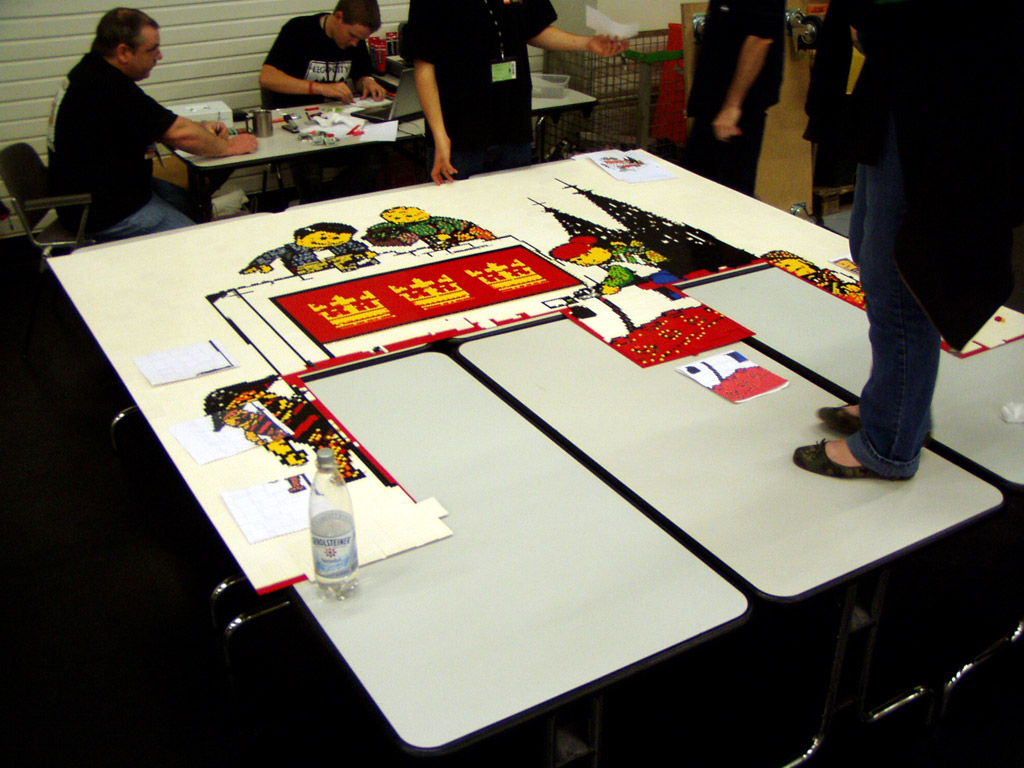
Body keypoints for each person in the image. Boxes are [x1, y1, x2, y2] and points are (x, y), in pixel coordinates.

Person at [792, 0, 1023, 480]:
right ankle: (898, 408)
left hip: (938, 99)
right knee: (868, 245)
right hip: (904, 86)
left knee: (898, 270)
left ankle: (889, 443)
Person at [49, 8, 258, 242]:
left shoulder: (91, 71)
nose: (159, 56)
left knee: (189, 203)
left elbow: (155, 122)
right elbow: (179, 134)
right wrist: (229, 147)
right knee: (198, 242)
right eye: (152, 49)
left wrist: (201, 128)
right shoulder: (106, 87)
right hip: (104, 211)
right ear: (124, 52)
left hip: (113, 190)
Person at [404, 0, 628, 185]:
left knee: (515, 208)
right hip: (460, 136)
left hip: (512, 128)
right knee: (459, 215)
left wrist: (588, 43)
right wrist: (440, 137)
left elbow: (535, 30)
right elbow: (424, 67)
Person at [259, 0, 387, 202]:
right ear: (338, 17)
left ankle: (328, 203)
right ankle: (316, 205)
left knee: (375, 158)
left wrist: (367, 81)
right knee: (309, 168)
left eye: (360, 39)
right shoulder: (298, 30)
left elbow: (360, 74)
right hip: (299, 128)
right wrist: (319, 87)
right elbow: (267, 78)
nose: (354, 43)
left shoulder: (355, 40)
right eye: (352, 36)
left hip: (338, 125)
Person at [683, 0, 785, 196]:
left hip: (734, 115)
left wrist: (732, 105)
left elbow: (760, 39)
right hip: (711, 107)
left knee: (730, 196)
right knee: (695, 190)